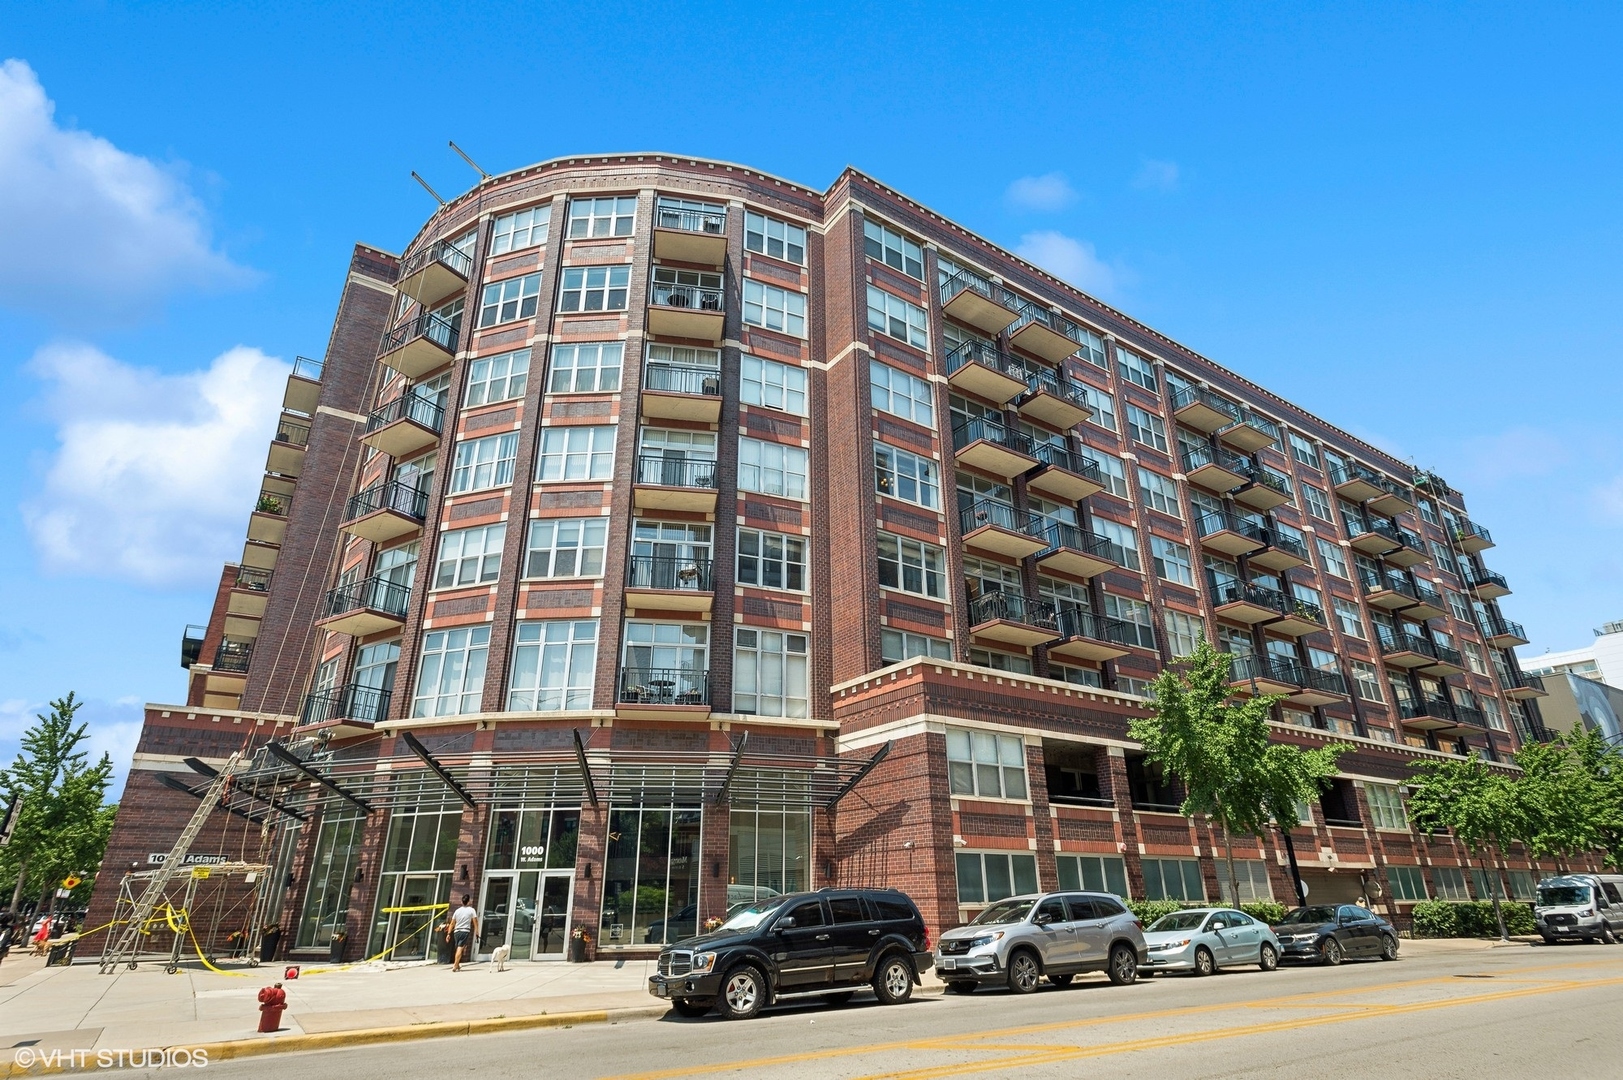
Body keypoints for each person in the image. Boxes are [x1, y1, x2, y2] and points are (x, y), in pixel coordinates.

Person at [447, 896, 477, 971]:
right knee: (460, 948)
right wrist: (477, 931)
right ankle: (455, 965)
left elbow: (452, 923)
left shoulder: (457, 911)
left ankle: (457, 965)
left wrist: (448, 934)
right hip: (465, 931)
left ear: (461, 901)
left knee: (458, 948)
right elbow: (475, 921)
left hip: (456, 931)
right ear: (469, 901)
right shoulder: (471, 910)